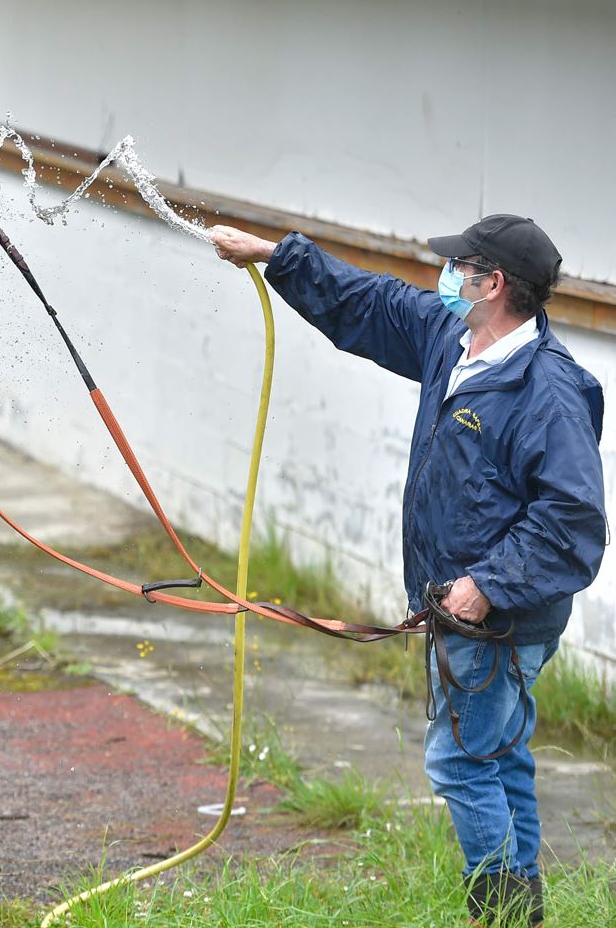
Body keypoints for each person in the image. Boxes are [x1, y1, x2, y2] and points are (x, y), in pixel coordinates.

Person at [211, 216, 606, 927]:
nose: (446, 275)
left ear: (495, 285)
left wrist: (486, 585)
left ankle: (500, 914)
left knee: (459, 763)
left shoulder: (546, 390)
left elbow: (573, 519)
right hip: (463, 608)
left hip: (499, 616)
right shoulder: (452, 340)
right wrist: (277, 254)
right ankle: (524, 910)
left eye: (462, 267)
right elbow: (368, 302)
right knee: (499, 752)